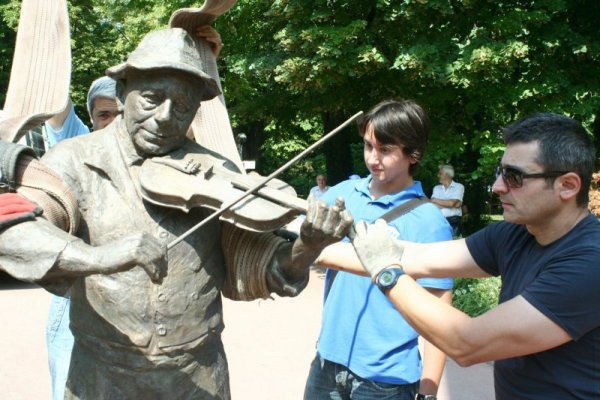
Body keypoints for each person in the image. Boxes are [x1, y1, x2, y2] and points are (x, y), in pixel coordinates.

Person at [9, 27, 352, 399]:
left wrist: (308, 246)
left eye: (183, 106)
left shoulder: (215, 172)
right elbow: (16, 229)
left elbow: (263, 268)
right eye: (152, 99)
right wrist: (99, 256)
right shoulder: (73, 160)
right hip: (102, 375)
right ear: (123, 91)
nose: (165, 118)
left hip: (198, 377)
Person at [350, 113, 600, 399]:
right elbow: (415, 257)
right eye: (500, 171)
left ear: (567, 186)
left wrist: (386, 272)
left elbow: (466, 344)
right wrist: (314, 245)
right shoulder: (516, 234)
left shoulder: (591, 263)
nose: (497, 187)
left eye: (515, 177)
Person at [304, 99, 453, 400]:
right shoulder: (341, 194)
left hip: (387, 380)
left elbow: (440, 313)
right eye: (368, 146)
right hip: (326, 363)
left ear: (413, 154)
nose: (373, 158)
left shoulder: (429, 221)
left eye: (385, 150)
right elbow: (296, 236)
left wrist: (429, 391)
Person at [44, 76, 118, 400]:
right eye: (104, 115)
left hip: (127, 312)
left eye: (121, 114)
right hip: (75, 306)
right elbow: (55, 104)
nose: (112, 124)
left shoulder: (148, 163)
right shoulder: (78, 146)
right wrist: (48, 35)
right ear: (91, 120)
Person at [431, 164, 464, 237]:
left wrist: (435, 200)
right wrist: (453, 205)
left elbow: (451, 203)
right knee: (439, 244)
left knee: (453, 245)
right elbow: (432, 205)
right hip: (438, 221)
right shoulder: (436, 188)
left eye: (440, 173)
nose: (438, 175)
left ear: (447, 175)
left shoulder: (459, 187)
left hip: (453, 222)